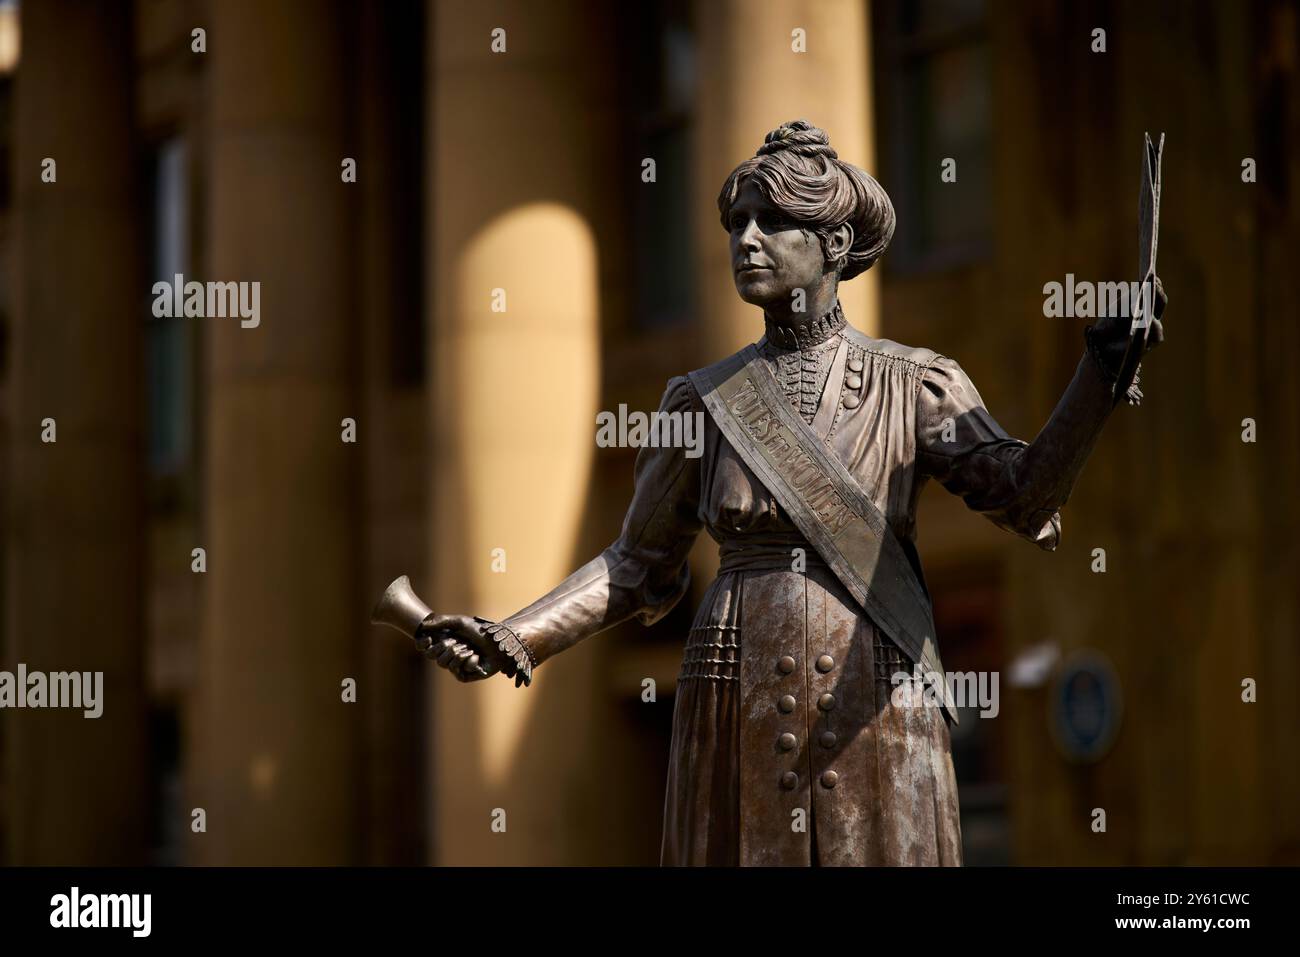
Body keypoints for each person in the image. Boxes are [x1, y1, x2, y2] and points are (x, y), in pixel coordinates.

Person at [417, 119, 1166, 866]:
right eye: (736, 221)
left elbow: (1025, 493)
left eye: (772, 221)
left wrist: (1098, 377)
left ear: (834, 245)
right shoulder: (701, 404)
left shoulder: (913, 384)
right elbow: (637, 564)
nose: (745, 239)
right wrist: (518, 633)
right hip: (732, 684)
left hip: (873, 682)